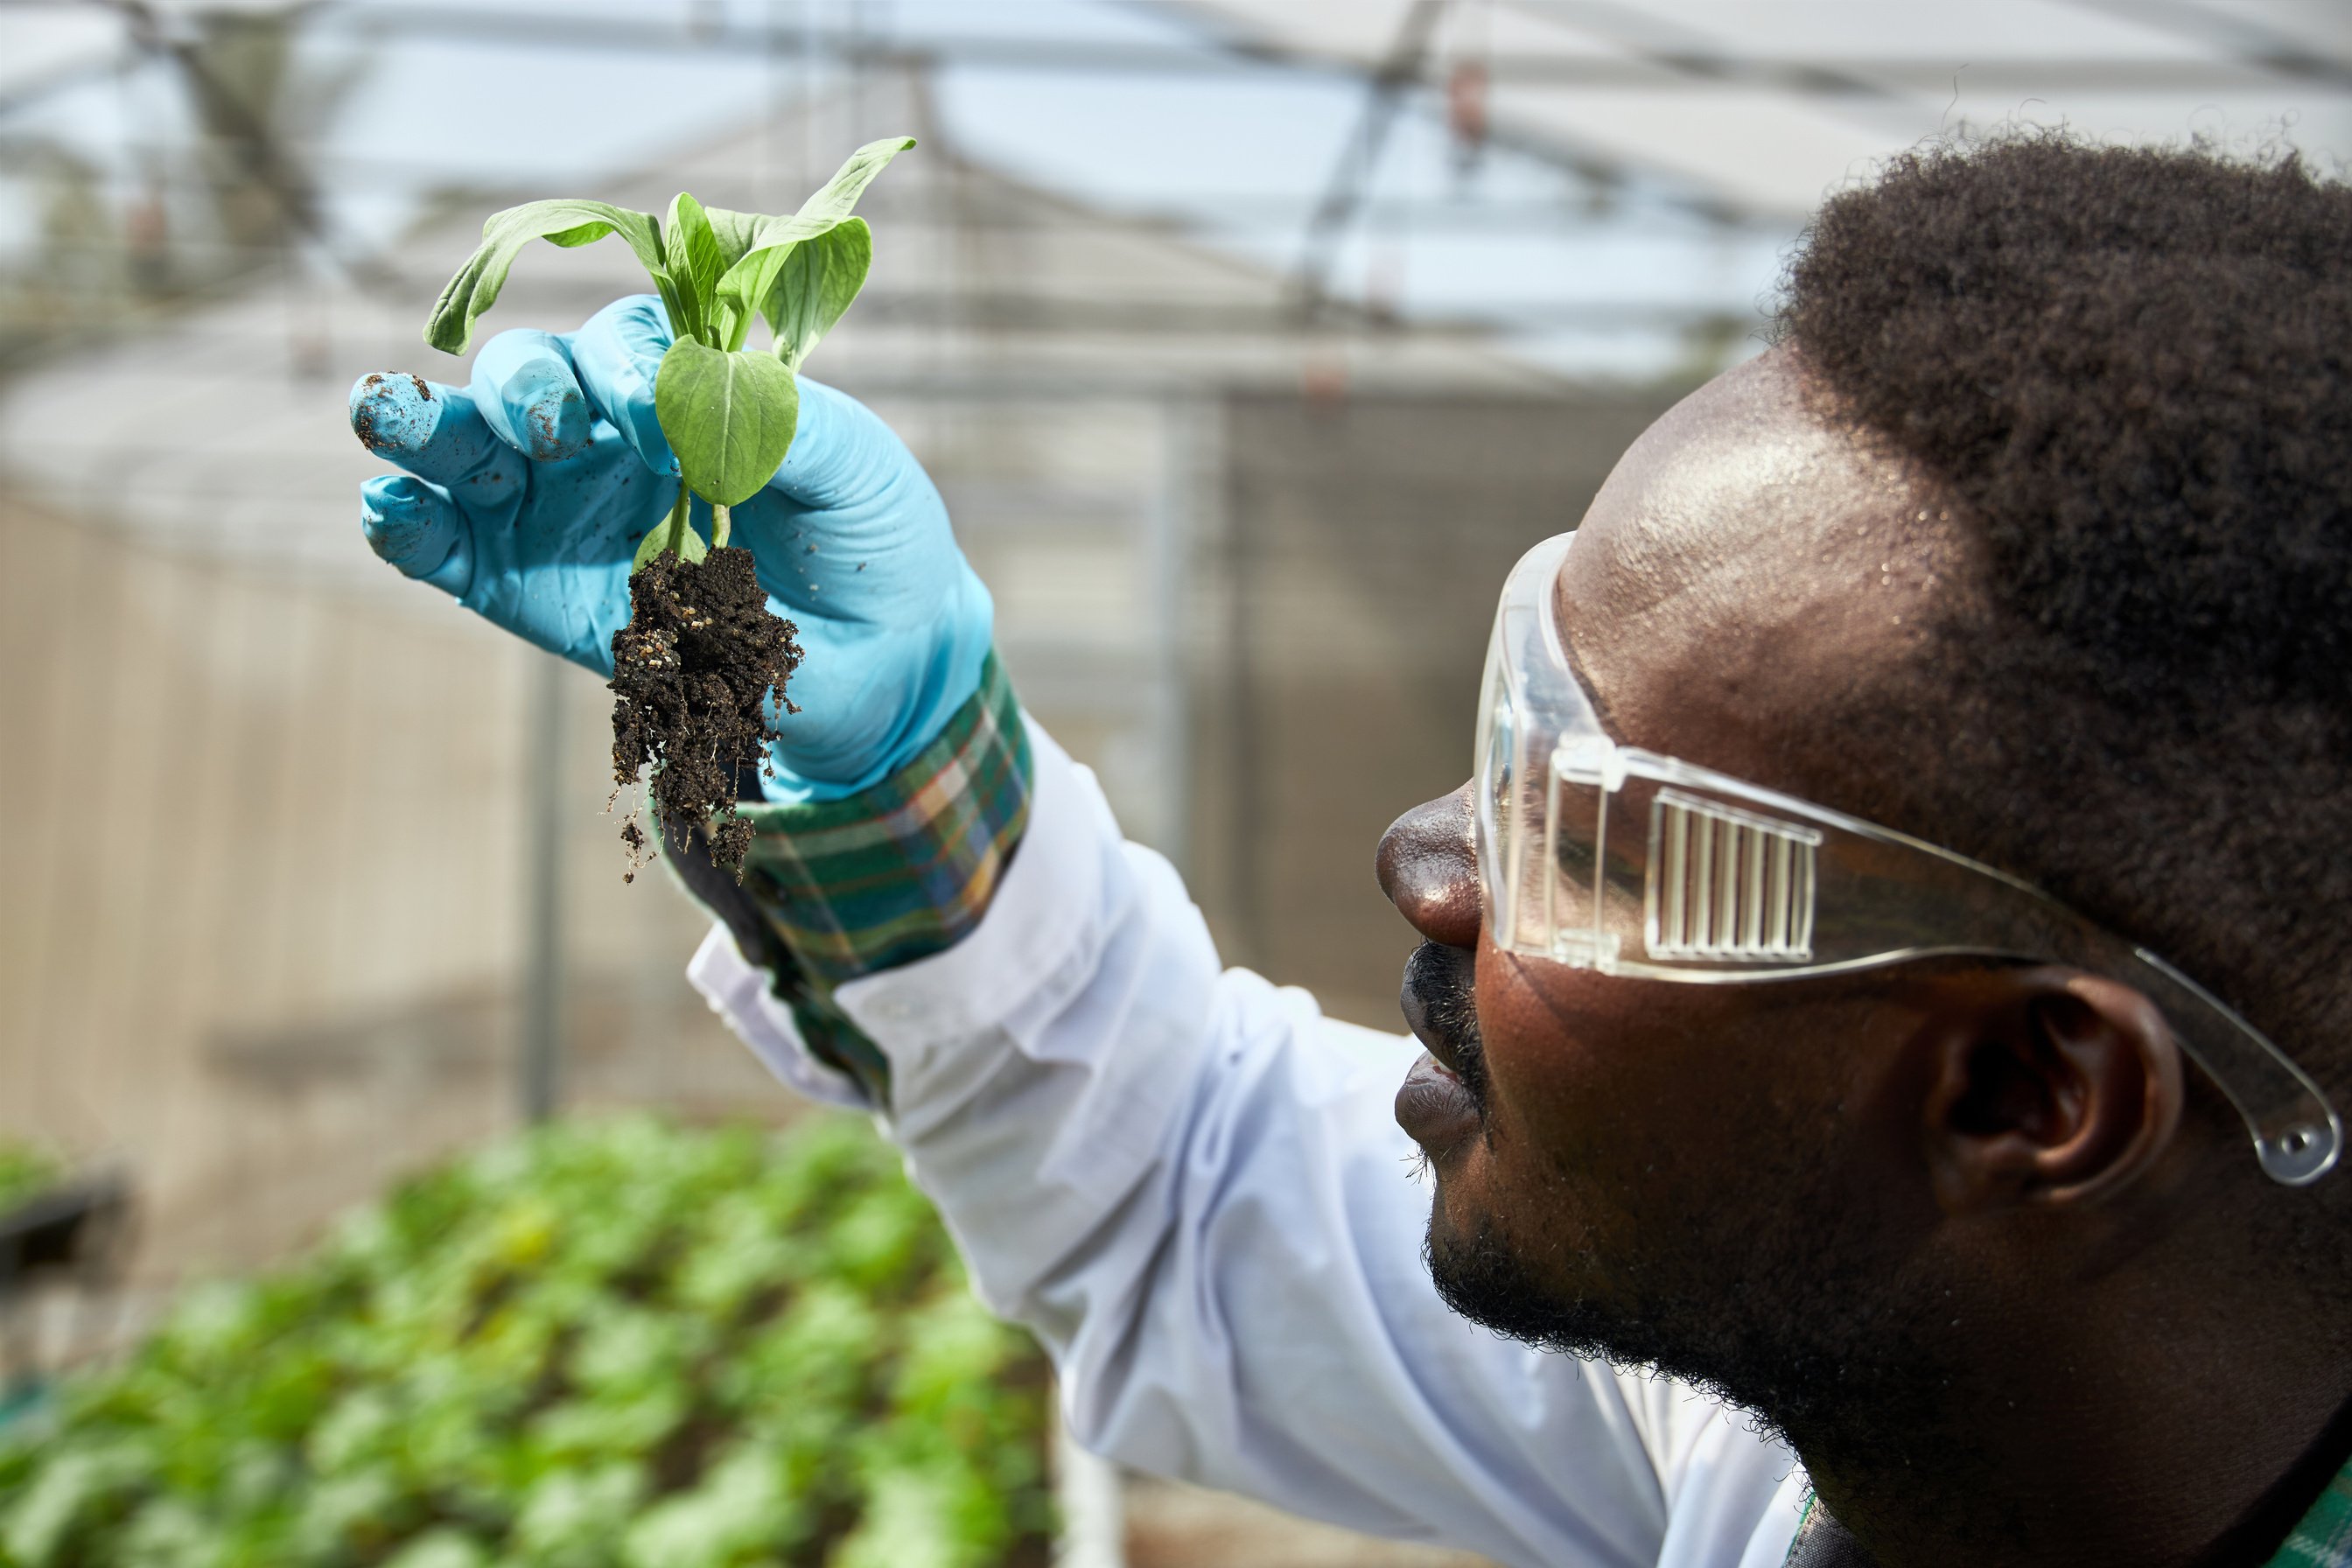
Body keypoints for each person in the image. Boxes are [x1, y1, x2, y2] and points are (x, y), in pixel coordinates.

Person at [348, 134, 2352, 1568]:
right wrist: (884, 759)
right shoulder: (1884, 1409)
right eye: (1518, 717)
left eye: (1595, 831)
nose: (1430, 859)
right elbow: (1188, 1191)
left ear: (2026, 1090)